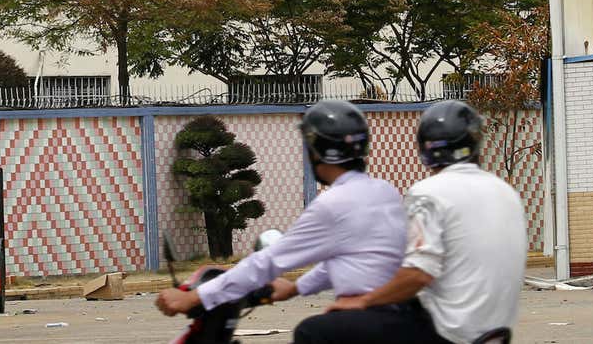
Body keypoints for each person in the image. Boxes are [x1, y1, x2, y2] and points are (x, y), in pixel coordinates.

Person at [293, 100, 526, 344]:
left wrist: (363, 300)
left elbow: (418, 273)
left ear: (425, 149)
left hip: (447, 331)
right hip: (493, 330)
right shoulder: (506, 191)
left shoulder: (429, 192)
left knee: (313, 331)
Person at [155, 100, 406, 320]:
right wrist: (297, 287)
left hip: (368, 314)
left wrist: (196, 296)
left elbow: (268, 262)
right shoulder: (384, 191)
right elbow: (356, 260)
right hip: (398, 309)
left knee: (311, 331)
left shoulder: (332, 204)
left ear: (316, 151)